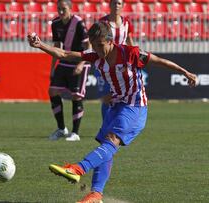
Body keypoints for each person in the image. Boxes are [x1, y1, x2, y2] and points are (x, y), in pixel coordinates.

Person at [27, 22, 196, 202]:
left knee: (110, 142)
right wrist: (40, 45)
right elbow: (65, 54)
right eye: (94, 45)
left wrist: (185, 72)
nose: (98, 50)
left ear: (110, 41)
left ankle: (77, 169)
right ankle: (96, 194)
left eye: (101, 45)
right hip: (116, 106)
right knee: (105, 146)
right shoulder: (95, 56)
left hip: (135, 107)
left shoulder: (131, 53)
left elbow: (159, 61)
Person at [47, 0, 90, 142]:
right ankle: (61, 128)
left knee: (76, 96)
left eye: (63, 9)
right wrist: (53, 67)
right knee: (52, 91)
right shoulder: (55, 23)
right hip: (64, 62)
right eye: (58, 9)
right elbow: (56, 47)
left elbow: (88, 46)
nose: (60, 12)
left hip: (79, 63)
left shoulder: (78, 23)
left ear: (70, 9)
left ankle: (75, 133)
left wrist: (81, 63)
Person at [97, 0, 135, 120]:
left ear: (123, 6)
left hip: (123, 66)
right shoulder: (103, 23)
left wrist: (134, 56)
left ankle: (117, 126)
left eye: (119, 3)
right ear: (110, 5)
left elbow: (129, 41)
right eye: (114, 3)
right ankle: (106, 125)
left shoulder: (127, 23)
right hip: (107, 65)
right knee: (108, 97)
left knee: (123, 97)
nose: (116, 6)